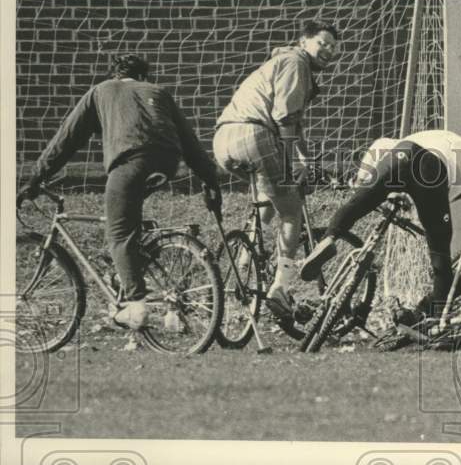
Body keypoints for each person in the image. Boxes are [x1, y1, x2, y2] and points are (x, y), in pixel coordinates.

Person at [16, 54, 223, 330]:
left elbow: (66, 140)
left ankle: (136, 305)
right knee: (129, 220)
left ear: (114, 75)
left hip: (129, 164)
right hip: (168, 162)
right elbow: (191, 143)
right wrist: (211, 182)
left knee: (119, 233)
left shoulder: (101, 90)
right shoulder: (158, 92)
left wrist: (35, 179)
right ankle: (147, 279)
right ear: (144, 77)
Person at [299, 130, 461, 325]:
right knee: (440, 249)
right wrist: (415, 209)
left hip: (400, 152)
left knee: (357, 204)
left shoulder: (439, 134)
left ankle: (329, 238)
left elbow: (381, 143)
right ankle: (436, 318)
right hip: (431, 168)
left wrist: (363, 181)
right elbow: (450, 197)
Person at [213, 20, 339, 323]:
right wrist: (294, 163)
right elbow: (284, 118)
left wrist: (306, 159)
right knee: (292, 210)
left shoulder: (282, 63)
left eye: (333, 47)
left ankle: (246, 261)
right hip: (255, 135)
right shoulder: (295, 62)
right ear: (303, 41)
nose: (328, 50)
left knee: (271, 197)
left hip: (223, 141)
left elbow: (294, 123)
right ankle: (280, 287)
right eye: (322, 42)